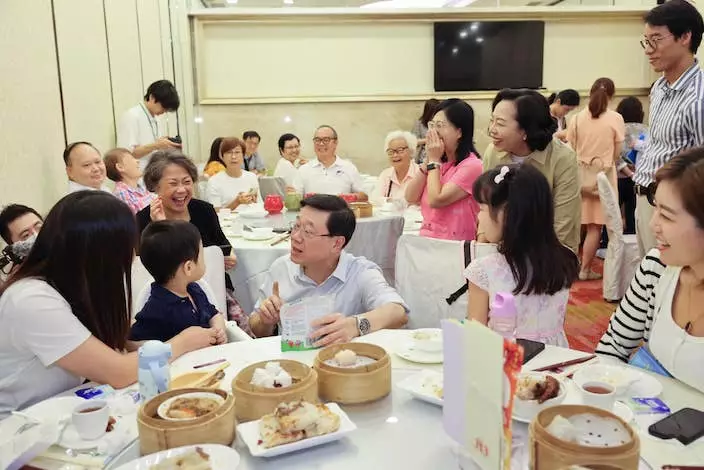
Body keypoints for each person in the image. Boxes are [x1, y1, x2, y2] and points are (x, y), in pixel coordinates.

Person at [0, 191, 216, 417]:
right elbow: (118, 372)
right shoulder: (32, 300)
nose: (131, 257)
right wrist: (182, 342)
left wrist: (155, 347)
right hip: (19, 424)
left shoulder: (72, 285)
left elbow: (115, 346)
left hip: (63, 408)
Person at [596, 147, 704, 391]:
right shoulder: (656, 268)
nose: (653, 224)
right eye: (655, 208)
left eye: (667, 216)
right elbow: (613, 346)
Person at [249, 195, 408, 341]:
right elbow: (256, 328)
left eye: (308, 232)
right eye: (296, 226)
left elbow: (398, 312)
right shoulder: (281, 268)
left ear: (337, 243)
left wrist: (356, 325)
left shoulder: (360, 273)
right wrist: (265, 321)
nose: (295, 237)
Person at [136, 151, 252, 335]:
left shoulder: (204, 210)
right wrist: (160, 226)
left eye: (187, 182)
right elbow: (145, 268)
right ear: (155, 187)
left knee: (239, 330)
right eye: (173, 183)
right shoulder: (144, 220)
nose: (182, 190)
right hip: (168, 300)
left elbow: (223, 246)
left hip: (214, 289)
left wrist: (228, 257)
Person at [465, 165, 579, 346]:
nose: (479, 217)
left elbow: (476, 338)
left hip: (507, 359)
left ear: (509, 215)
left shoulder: (483, 270)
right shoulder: (566, 259)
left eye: (483, 209)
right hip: (555, 356)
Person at [633, 0, 704, 256]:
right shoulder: (659, 88)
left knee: (671, 276)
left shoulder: (698, 98)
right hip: (644, 198)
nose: (648, 50)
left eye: (656, 40)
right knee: (648, 274)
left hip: (675, 210)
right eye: (646, 41)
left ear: (685, 37)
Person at [483, 89, 581, 254]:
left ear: (525, 130)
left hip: (550, 252)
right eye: (492, 121)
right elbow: (486, 205)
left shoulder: (562, 158)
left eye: (500, 123)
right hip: (502, 250)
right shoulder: (492, 153)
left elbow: (563, 221)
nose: (491, 130)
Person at [130, 220, 227, 344]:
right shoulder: (157, 308)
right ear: (188, 267)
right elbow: (132, 343)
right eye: (202, 255)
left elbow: (214, 314)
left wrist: (218, 330)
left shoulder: (195, 290)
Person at [567, 78, 625, 280]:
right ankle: (585, 270)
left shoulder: (576, 118)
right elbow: (617, 152)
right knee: (595, 227)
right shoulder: (616, 118)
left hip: (579, 177)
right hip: (603, 178)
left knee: (576, 225)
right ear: (612, 96)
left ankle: (570, 268)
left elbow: (570, 149)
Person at [405, 99, 481, 241]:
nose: (434, 132)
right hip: (428, 241)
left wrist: (434, 161)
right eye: (432, 125)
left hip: (454, 245)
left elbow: (436, 200)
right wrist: (429, 160)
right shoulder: (437, 163)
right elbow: (410, 197)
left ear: (459, 132)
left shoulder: (472, 166)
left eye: (440, 126)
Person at [116, 80, 181, 170]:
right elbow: (126, 154)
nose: (164, 111)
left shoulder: (156, 118)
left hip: (153, 171)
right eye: (163, 107)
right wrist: (156, 145)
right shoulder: (132, 116)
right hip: (137, 173)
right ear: (152, 97)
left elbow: (153, 146)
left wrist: (163, 143)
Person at [293, 125, 368, 200]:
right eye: (317, 140)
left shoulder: (349, 168)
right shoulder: (303, 170)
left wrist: (346, 198)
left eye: (326, 140)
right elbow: (295, 198)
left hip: (341, 207)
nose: (321, 144)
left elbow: (364, 196)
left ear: (335, 143)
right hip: (311, 208)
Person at [616, 96, 648, 235]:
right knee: (633, 213)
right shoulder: (647, 130)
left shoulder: (618, 129)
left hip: (618, 176)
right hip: (639, 177)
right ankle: (632, 237)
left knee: (613, 212)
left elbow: (615, 154)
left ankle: (607, 241)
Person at [206, 137, 261, 210]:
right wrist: (237, 202)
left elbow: (260, 205)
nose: (233, 157)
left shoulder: (252, 177)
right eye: (229, 152)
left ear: (243, 156)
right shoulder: (214, 181)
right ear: (222, 157)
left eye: (237, 152)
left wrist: (254, 201)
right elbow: (215, 213)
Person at [104, 148, 156, 214]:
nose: (137, 161)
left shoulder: (142, 188)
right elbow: (135, 218)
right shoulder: (121, 194)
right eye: (132, 159)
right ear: (120, 167)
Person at [375, 131, 420, 204]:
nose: (395, 155)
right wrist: (391, 201)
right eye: (391, 151)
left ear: (411, 151)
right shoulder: (385, 175)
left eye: (400, 150)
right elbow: (375, 199)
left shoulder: (420, 174)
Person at [0, 205, 43, 278]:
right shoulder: (25, 281)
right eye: (26, 235)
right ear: (14, 247)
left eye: (39, 227)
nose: (37, 236)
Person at [411, 98, 440, 163]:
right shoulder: (419, 123)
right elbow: (413, 141)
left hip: (439, 157)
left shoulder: (440, 123)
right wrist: (428, 140)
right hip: (423, 158)